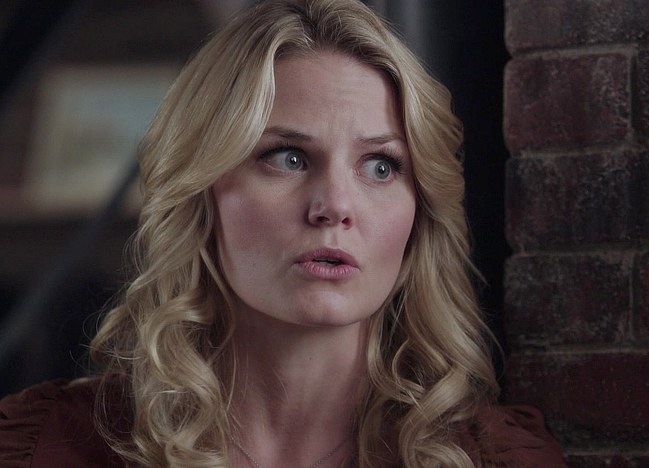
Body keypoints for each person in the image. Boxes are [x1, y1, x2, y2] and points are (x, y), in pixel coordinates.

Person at [0, 0, 566, 466]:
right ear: (202, 193)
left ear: (418, 214)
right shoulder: (45, 446)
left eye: (380, 166)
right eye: (288, 158)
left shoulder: (494, 459)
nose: (335, 206)